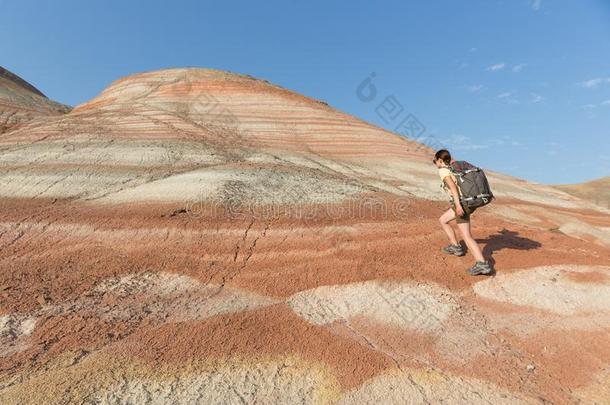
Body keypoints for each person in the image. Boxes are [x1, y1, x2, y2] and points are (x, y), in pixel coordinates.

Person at [433, 149, 493, 275]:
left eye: (435, 161)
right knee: (443, 220)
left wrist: (458, 205)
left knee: (466, 236)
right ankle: (455, 246)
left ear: (440, 160)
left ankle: (482, 264)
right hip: (466, 202)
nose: (435, 164)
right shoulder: (453, 167)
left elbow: (453, 188)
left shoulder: (443, 171)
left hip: (462, 204)